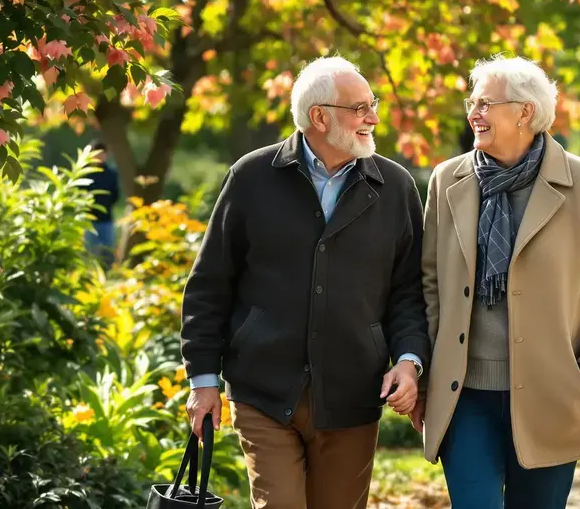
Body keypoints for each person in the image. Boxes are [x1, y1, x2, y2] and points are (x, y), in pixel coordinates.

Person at [180, 56, 430, 509]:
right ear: (320, 116)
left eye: (372, 105)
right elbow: (210, 284)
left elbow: (409, 292)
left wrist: (409, 361)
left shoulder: (394, 187)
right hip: (263, 391)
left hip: (354, 395)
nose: (372, 117)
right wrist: (202, 380)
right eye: (360, 108)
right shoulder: (252, 178)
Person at [417, 55, 580, 509]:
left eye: (485, 103)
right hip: (464, 395)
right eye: (472, 102)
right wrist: (425, 374)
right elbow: (431, 282)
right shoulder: (447, 180)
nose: (473, 113)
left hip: (553, 394)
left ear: (525, 112)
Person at [84, 141, 120, 266]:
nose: (99, 157)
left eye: (102, 154)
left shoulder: (111, 174)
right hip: (88, 221)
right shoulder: (84, 174)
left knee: (108, 252)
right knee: (90, 252)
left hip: (106, 219)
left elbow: (115, 196)